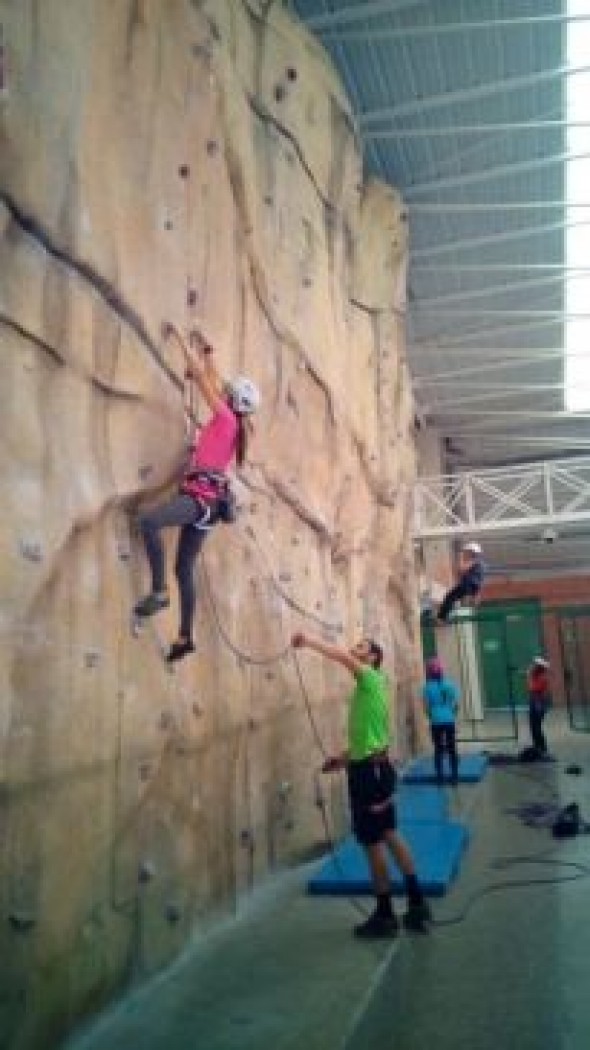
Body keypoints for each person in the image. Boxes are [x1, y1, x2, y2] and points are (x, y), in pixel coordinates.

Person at [291, 630, 432, 938]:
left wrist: (309, 641)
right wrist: (342, 760)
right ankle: (417, 904)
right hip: (374, 769)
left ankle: (385, 916)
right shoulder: (371, 688)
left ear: (373, 658)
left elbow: (340, 656)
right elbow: (370, 740)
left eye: (362, 647)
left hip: (369, 775)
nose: (355, 649)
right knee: (391, 835)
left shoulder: (369, 676)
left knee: (373, 845)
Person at [134, 322, 260, 662]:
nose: (225, 391)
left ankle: (159, 592)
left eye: (230, 392)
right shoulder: (236, 422)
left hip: (198, 501)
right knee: (184, 569)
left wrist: (178, 338)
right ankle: (185, 637)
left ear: (234, 401)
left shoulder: (225, 418)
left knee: (149, 523)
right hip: (209, 508)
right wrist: (208, 348)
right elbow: (216, 379)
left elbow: (205, 381)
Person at [422, 657, 460, 786]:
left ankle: (440, 778)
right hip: (448, 719)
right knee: (452, 748)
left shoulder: (427, 687)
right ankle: (454, 777)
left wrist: (432, 716)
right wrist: (451, 715)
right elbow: (455, 705)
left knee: (438, 748)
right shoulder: (450, 685)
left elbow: (426, 708)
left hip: (436, 720)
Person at [437, 541, 485, 622]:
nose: (465, 554)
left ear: (471, 553)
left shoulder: (473, 561)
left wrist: (460, 558)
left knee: (450, 597)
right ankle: (444, 616)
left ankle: (442, 618)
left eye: (466, 552)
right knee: (451, 597)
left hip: (468, 585)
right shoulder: (480, 563)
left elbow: (461, 569)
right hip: (473, 586)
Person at [527, 657, 552, 757]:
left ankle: (542, 748)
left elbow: (533, 689)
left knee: (536, 726)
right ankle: (538, 747)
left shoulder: (542, 677)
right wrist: (530, 676)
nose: (532, 666)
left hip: (539, 703)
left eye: (534, 665)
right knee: (533, 726)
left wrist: (529, 676)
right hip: (536, 702)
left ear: (538, 667)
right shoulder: (536, 676)